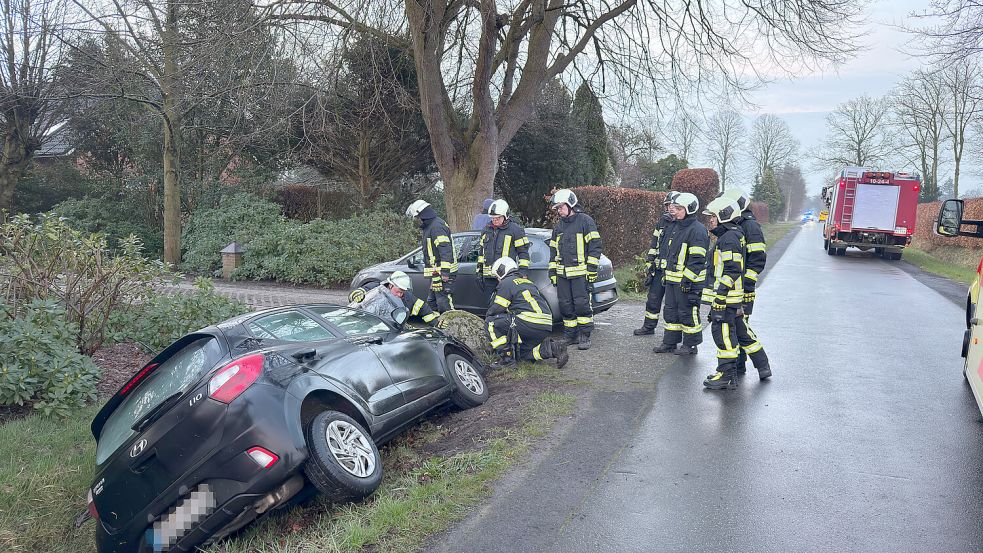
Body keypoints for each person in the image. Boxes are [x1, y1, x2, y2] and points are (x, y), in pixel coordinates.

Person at [721, 187, 772, 380]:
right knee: (735, 327)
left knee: (740, 327)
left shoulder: (750, 227)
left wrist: (747, 285)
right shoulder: (733, 225)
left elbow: (757, 258)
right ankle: (739, 365)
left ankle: (760, 363)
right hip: (733, 287)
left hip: (742, 289)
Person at [485, 257, 568, 369]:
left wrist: (488, 314)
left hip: (529, 320)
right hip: (545, 324)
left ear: (501, 271)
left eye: (497, 276)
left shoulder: (506, 282)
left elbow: (497, 308)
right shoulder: (527, 282)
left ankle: (506, 359)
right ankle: (554, 348)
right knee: (522, 354)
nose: (498, 279)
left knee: (491, 322)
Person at [700, 197, 748, 390]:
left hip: (727, 298)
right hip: (726, 297)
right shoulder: (729, 236)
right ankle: (727, 373)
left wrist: (720, 296)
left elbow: (732, 270)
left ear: (723, 216)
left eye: (713, 216)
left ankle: (727, 376)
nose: (710, 220)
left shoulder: (729, 239)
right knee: (725, 333)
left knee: (723, 334)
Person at [653, 192, 708, 356]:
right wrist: (665, 273)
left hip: (688, 283)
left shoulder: (697, 231)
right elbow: (669, 253)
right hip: (672, 279)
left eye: (678, 208)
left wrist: (687, 280)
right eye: (674, 208)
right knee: (670, 311)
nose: (674, 211)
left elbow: (697, 259)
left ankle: (691, 345)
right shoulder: (676, 226)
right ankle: (670, 343)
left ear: (689, 209)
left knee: (688, 312)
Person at [548, 189, 603, 350]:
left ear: (570, 204)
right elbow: (553, 251)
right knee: (565, 305)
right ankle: (570, 335)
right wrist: (552, 271)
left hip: (580, 275)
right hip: (562, 275)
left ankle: (585, 335)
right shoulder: (558, 227)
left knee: (582, 304)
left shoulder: (585, 221)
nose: (559, 211)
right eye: (557, 208)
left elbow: (595, 246)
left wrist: (592, 269)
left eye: (561, 207)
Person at [634, 191, 680, 336]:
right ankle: (648, 327)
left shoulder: (683, 224)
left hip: (674, 271)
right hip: (659, 270)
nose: (670, 208)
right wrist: (650, 264)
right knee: (653, 299)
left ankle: (674, 335)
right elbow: (654, 245)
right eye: (668, 205)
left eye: (673, 205)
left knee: (673, 305)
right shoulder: (662, 222)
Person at [406, 199, 457, 313]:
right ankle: (438, 326)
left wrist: (445, 272)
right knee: (432, 302)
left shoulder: (436, 227)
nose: (417, 220)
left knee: (444, 304)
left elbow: (445, 250)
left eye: (417, 217)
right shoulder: (430, 226)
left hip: (442, 274)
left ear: (422, 215)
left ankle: (449, 328)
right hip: (436, 274)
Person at [476, 199, 530, 304]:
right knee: (491, 305)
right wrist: (479, 272)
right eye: (492, 218)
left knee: (506, 306)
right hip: (489, 277)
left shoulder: (515, 230)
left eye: (497, 218)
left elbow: (523, 253)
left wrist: (523, 272)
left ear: (505, 216)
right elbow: (481, 253)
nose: (494, 220)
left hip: (506, 277)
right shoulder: (486, 230)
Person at [349, 271, 438, 326]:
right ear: (391, 285)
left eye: (402, 292)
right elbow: (357, 293)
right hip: (364, 321)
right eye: (398, 291)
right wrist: (356, 295)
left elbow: (424, 308)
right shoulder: (376, 287)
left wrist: (436, 323)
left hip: (386, 329)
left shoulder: (407, 296)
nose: (400, 295)